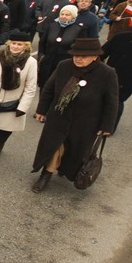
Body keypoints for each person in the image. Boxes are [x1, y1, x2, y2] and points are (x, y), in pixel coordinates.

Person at [31, 38, 118, 193]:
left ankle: (64, 169)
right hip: (59, 118)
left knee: (75, 150)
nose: (78, 58)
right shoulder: (64, 66)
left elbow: (111, 102)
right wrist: (41, 110)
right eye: (75, 55)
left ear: (95, 57)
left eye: (83, 56)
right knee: (54, 147)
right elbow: (49, 89)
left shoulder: (107, 74)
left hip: (85, 123)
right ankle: (46, 174)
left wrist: (106, 126)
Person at [37, 5, 84, 89]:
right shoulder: (52, 26)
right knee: (44, 87)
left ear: (73, 16)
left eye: (67, 15)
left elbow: (80, 49)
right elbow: (42, 43)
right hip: (47, 63)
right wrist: (41, 56)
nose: (64, 16)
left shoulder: (78, 29)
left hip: (65, 66)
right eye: (62, 14)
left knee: (58, 88)